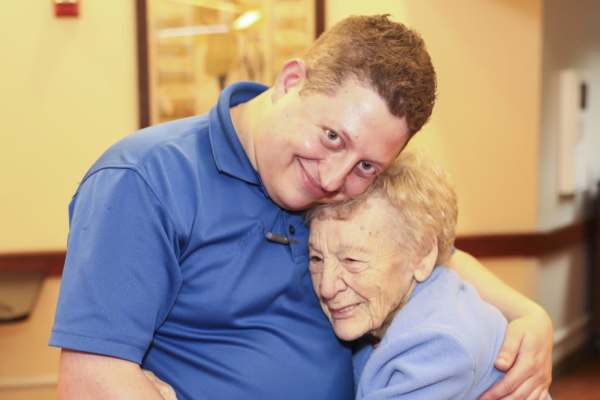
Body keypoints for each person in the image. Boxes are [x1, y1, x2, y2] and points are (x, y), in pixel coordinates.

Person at [49, 15, 552, 399]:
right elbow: (93, 378)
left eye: (366, 166)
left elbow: (423, 254)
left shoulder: (334, 183)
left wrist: (530, 316)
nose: (334, 179)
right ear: (292, 82)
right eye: (332, 136)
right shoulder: (145, 179)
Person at [307, 152, 550, 399]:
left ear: (422, 256)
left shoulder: (439, 342)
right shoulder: (422, 296)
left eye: (352, 260)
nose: (326, 287)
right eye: (316, 258)